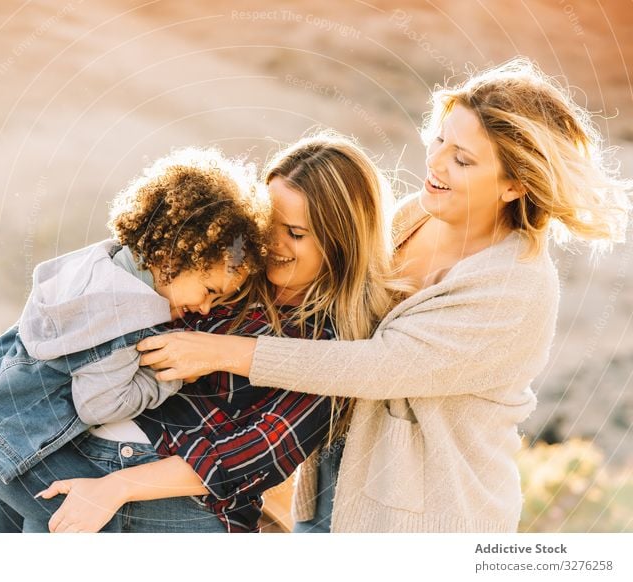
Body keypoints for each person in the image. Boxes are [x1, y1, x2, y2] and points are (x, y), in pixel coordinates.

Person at [133, 58, 632, 532]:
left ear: (514, 186)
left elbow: (376, 365)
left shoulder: (515, 288)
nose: (435, 163)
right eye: (439, 140)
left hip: (428, 520)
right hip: (340, 488)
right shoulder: (417, 214)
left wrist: (222, 352)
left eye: (461, 159)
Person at [0, 131, 403, 532]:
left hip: (182, 505)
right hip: (84, 457)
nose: (273, 244)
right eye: (269, 224)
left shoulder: (333, 342)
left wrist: (116, 487)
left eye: (295, 234)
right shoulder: (226, 264)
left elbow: (255, 454)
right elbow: (82, 308)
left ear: (342, 241)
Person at [0, 148, 268, 532]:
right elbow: (100, 405)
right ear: (177, 256)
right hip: (17, 451)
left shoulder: (101, 262)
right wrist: (169, 378)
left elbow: (27, 333)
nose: (205, 308)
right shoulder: (128, 315)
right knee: (93, 520)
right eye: (208, 289)